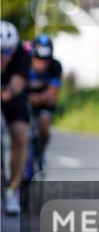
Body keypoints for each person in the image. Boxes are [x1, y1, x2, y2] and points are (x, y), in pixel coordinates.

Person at [1, 20, 31, 215]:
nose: (3, 56)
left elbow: (17, 84)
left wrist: (9, 92)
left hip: (12, 94)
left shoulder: (22, 53)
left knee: (20, 134)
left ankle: (13, 187)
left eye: (7, 51)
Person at [27, 34, 61, 162]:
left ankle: (40, 153)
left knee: (44, 127)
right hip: (24, 100)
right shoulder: (24, 64)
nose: (42, 62)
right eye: (38, 58)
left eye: (46, 59)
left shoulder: (55, 66)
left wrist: (39, 98)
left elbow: (53, 92)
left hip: (44, 103)